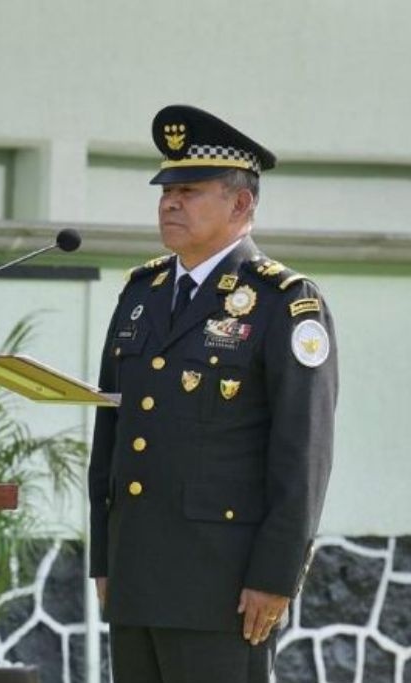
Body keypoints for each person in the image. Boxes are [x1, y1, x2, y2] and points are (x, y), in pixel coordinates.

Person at [88, 105, 338, 682]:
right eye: (166, 191)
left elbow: (303, 453)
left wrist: (275, 577)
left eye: (190, 190)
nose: (169, 203)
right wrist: (105, 558)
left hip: (222, 589)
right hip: (137, 578)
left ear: (241, 204)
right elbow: (113, 433)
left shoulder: (284, 302)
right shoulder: (142, 293)